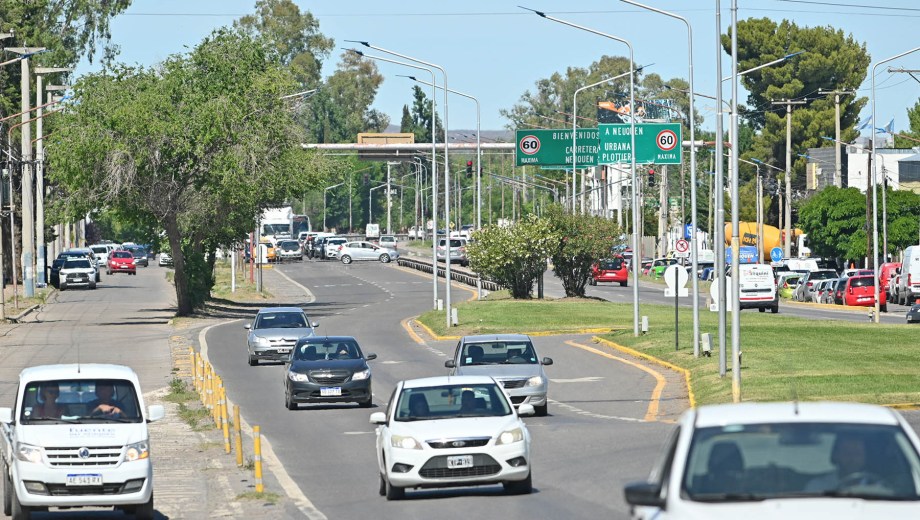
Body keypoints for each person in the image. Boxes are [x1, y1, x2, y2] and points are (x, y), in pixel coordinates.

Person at [806, 433, 875, 492]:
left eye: (857, 453)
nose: (852, 458)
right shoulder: (818, 487)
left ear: (865, 457)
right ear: (836, 455)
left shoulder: (877, 489)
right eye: (846, 453)